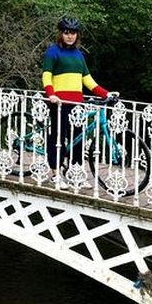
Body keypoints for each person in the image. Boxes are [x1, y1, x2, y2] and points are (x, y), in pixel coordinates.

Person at [42, 18, 118, 187]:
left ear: (77, 35)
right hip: (59, 103)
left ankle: (76, 174)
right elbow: (47, 75)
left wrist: (107, 93)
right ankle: (56, 174)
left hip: (77, 104)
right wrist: (51, 94)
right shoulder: (53, 52)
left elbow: (87, 79)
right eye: (66, 33)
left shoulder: (79, 55)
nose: (70, 36)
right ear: (61, 34)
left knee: (78, 139)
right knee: (58, 138)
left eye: (73, 33)